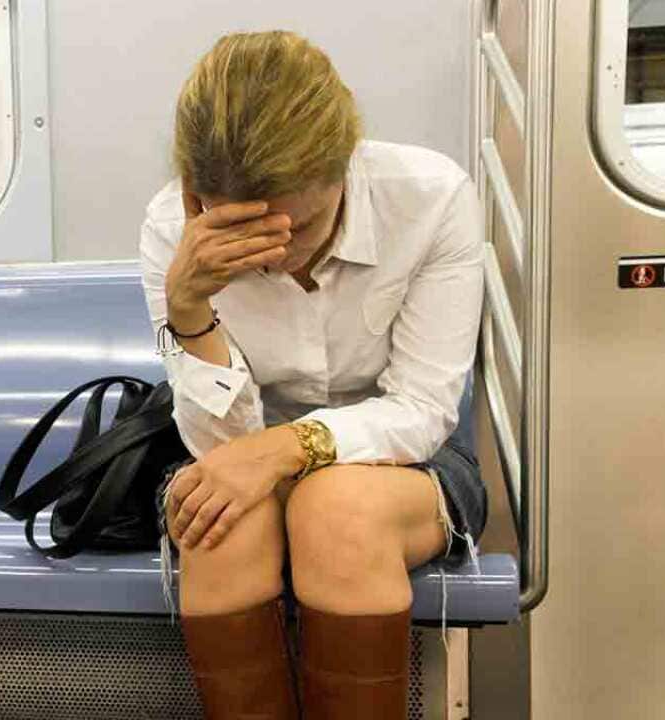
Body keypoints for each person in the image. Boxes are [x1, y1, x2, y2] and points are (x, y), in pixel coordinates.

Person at [139, 31, 486, 719]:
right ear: (195, 198)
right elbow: (222, 451)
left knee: (337, 510)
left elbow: (422, 408)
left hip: (405, 461)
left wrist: (291, 448)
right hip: (241, 452)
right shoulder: (170, 230)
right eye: (242, 233)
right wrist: (189, 309)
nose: (272, 257)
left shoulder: (430, 198)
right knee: (222, 526)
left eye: (298, 228)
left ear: (345, 167)